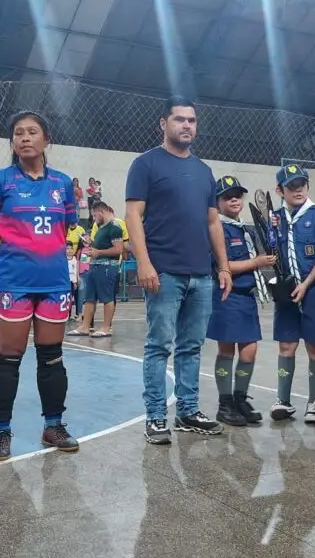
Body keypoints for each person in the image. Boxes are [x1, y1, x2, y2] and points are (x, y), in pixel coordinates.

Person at [125, 96, 233, 445]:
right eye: (179, 119)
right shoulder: (146, 164)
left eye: (192, 120)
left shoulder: (204, 171)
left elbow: (213, 222)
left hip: (201, 274)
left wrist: (224, 267)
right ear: (163, 124)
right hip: (164, 273)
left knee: (191, 347)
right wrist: (144, 262)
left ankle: (188, 411)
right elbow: (133, 217)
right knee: (159, 346)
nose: (187, 125)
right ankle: (156, 417)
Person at [0, 111, 79, 461]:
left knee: (51, 359)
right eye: (18, 133)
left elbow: (64, 231)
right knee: (9, 358)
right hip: (13, 284)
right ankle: (0, 432)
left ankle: (54, 425)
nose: (24, 138)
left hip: (54, 284)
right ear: (12, 142)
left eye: (32, 132)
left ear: (46, 139)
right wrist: (3, 268)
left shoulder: (63, 184)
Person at [205, 175, 272, 426]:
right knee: (226, 349)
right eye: (227, 196)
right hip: (227, 295)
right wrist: (256, 262)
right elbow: (224, 266)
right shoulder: (217, 228)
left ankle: (240, 397)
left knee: (249, 349)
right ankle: (225, 403)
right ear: (217, 202)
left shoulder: (244, 228)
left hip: (247, 296)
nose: (234, 200)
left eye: (237, 195)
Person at [270, 164, 315, 424]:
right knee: (286, 345)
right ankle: (283, 401)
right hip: (287, 292)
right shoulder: (276, 218)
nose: (298, 190)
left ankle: (314, 403)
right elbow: (273, 253)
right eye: (291, 187)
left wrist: (306, 284)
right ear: (280, 190)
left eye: (302, 185)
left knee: (314, 346)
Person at [71, 201, 125, 338]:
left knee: (107, 298)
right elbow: (100, 246)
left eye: (95, 216)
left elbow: (119, 249)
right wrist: (91, 244)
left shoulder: (114, 227)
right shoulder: (102, 228)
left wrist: (98, 253)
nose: (94, 219)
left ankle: (106, 327)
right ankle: (85, 326)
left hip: (107, 267)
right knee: (90, 298)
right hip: (95, 266)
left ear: (101, 212)